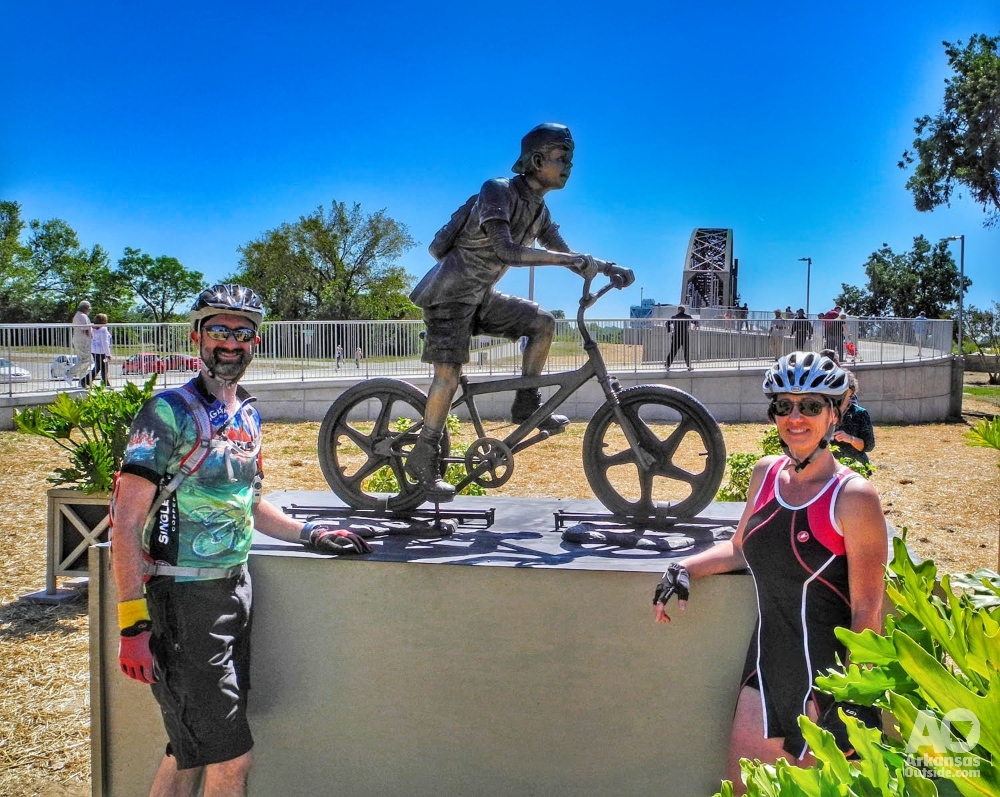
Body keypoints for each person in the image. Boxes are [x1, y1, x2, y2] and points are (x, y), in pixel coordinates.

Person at [110, 284, 371, 796]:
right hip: (183, 601)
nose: (230, 342)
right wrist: (131, 622)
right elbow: (124, 520)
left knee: (189, 748)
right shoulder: (167, 412)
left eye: (242, 332)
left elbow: (249, 503)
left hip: (236, 591)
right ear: (197, 337)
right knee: (232, 761)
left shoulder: (249, 415)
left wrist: (312, 533)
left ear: (256, 342)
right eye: (219, 330)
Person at [653, 352, 887, 794]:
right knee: (742, 789)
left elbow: (867, 608)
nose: (795, 417)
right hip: (763, 670)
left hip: (831, 681)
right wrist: (685, 567)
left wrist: (853, 695)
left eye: (811, 406)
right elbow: (742, 549)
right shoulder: (766, 473)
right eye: (784, 406)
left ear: (834, 413)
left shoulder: (854, 497)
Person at [406, 122, 634, 501]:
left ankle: (527, 407)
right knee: (448, 375)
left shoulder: (538, 209)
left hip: (480, 296)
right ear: (537, 159)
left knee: (543, 323)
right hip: (449, 297)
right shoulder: (497, 190)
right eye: (562, 158)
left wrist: (607, 265)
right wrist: (570, 260)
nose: (569, 166)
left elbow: (563, 248)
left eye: (570, 159)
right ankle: (423, 454)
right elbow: (507, 250)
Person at [830, 370, 875, 465]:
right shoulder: (822, 412)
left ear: (851, 393)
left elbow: (869, 446)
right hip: (827, 467)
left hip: (854, 466)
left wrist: (850, 439)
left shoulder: (859, 413)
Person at [68, 300, 95, 386]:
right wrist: (92, 338)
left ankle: (82, 381)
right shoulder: (82, 316)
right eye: (89, 308)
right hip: (82, 341)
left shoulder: (78, 315)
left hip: (79, 340)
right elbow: (86, 329)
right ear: (86, 308)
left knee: (85, 360)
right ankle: (69, 374)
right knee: (87, 359)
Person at [664, 306, 698, 372]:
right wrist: (695, 326)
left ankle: (667, 365)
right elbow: (696, 322)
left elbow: (666, 323)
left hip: (676, 336)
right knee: (686, 351)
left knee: (673, 351)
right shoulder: (688, 317)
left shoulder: (674, 317)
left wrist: (670, 331)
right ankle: (689, 366)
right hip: (685, 336)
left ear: (678, 310)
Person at [90, 312, 112, 385]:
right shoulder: (103, 329)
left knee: (98, 367)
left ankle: (87, 380)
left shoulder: (92, 328)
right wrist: (108, 354)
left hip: (94, 350)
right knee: (104, 367)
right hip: (102, 351)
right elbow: (105, 342)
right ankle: (106, 383)